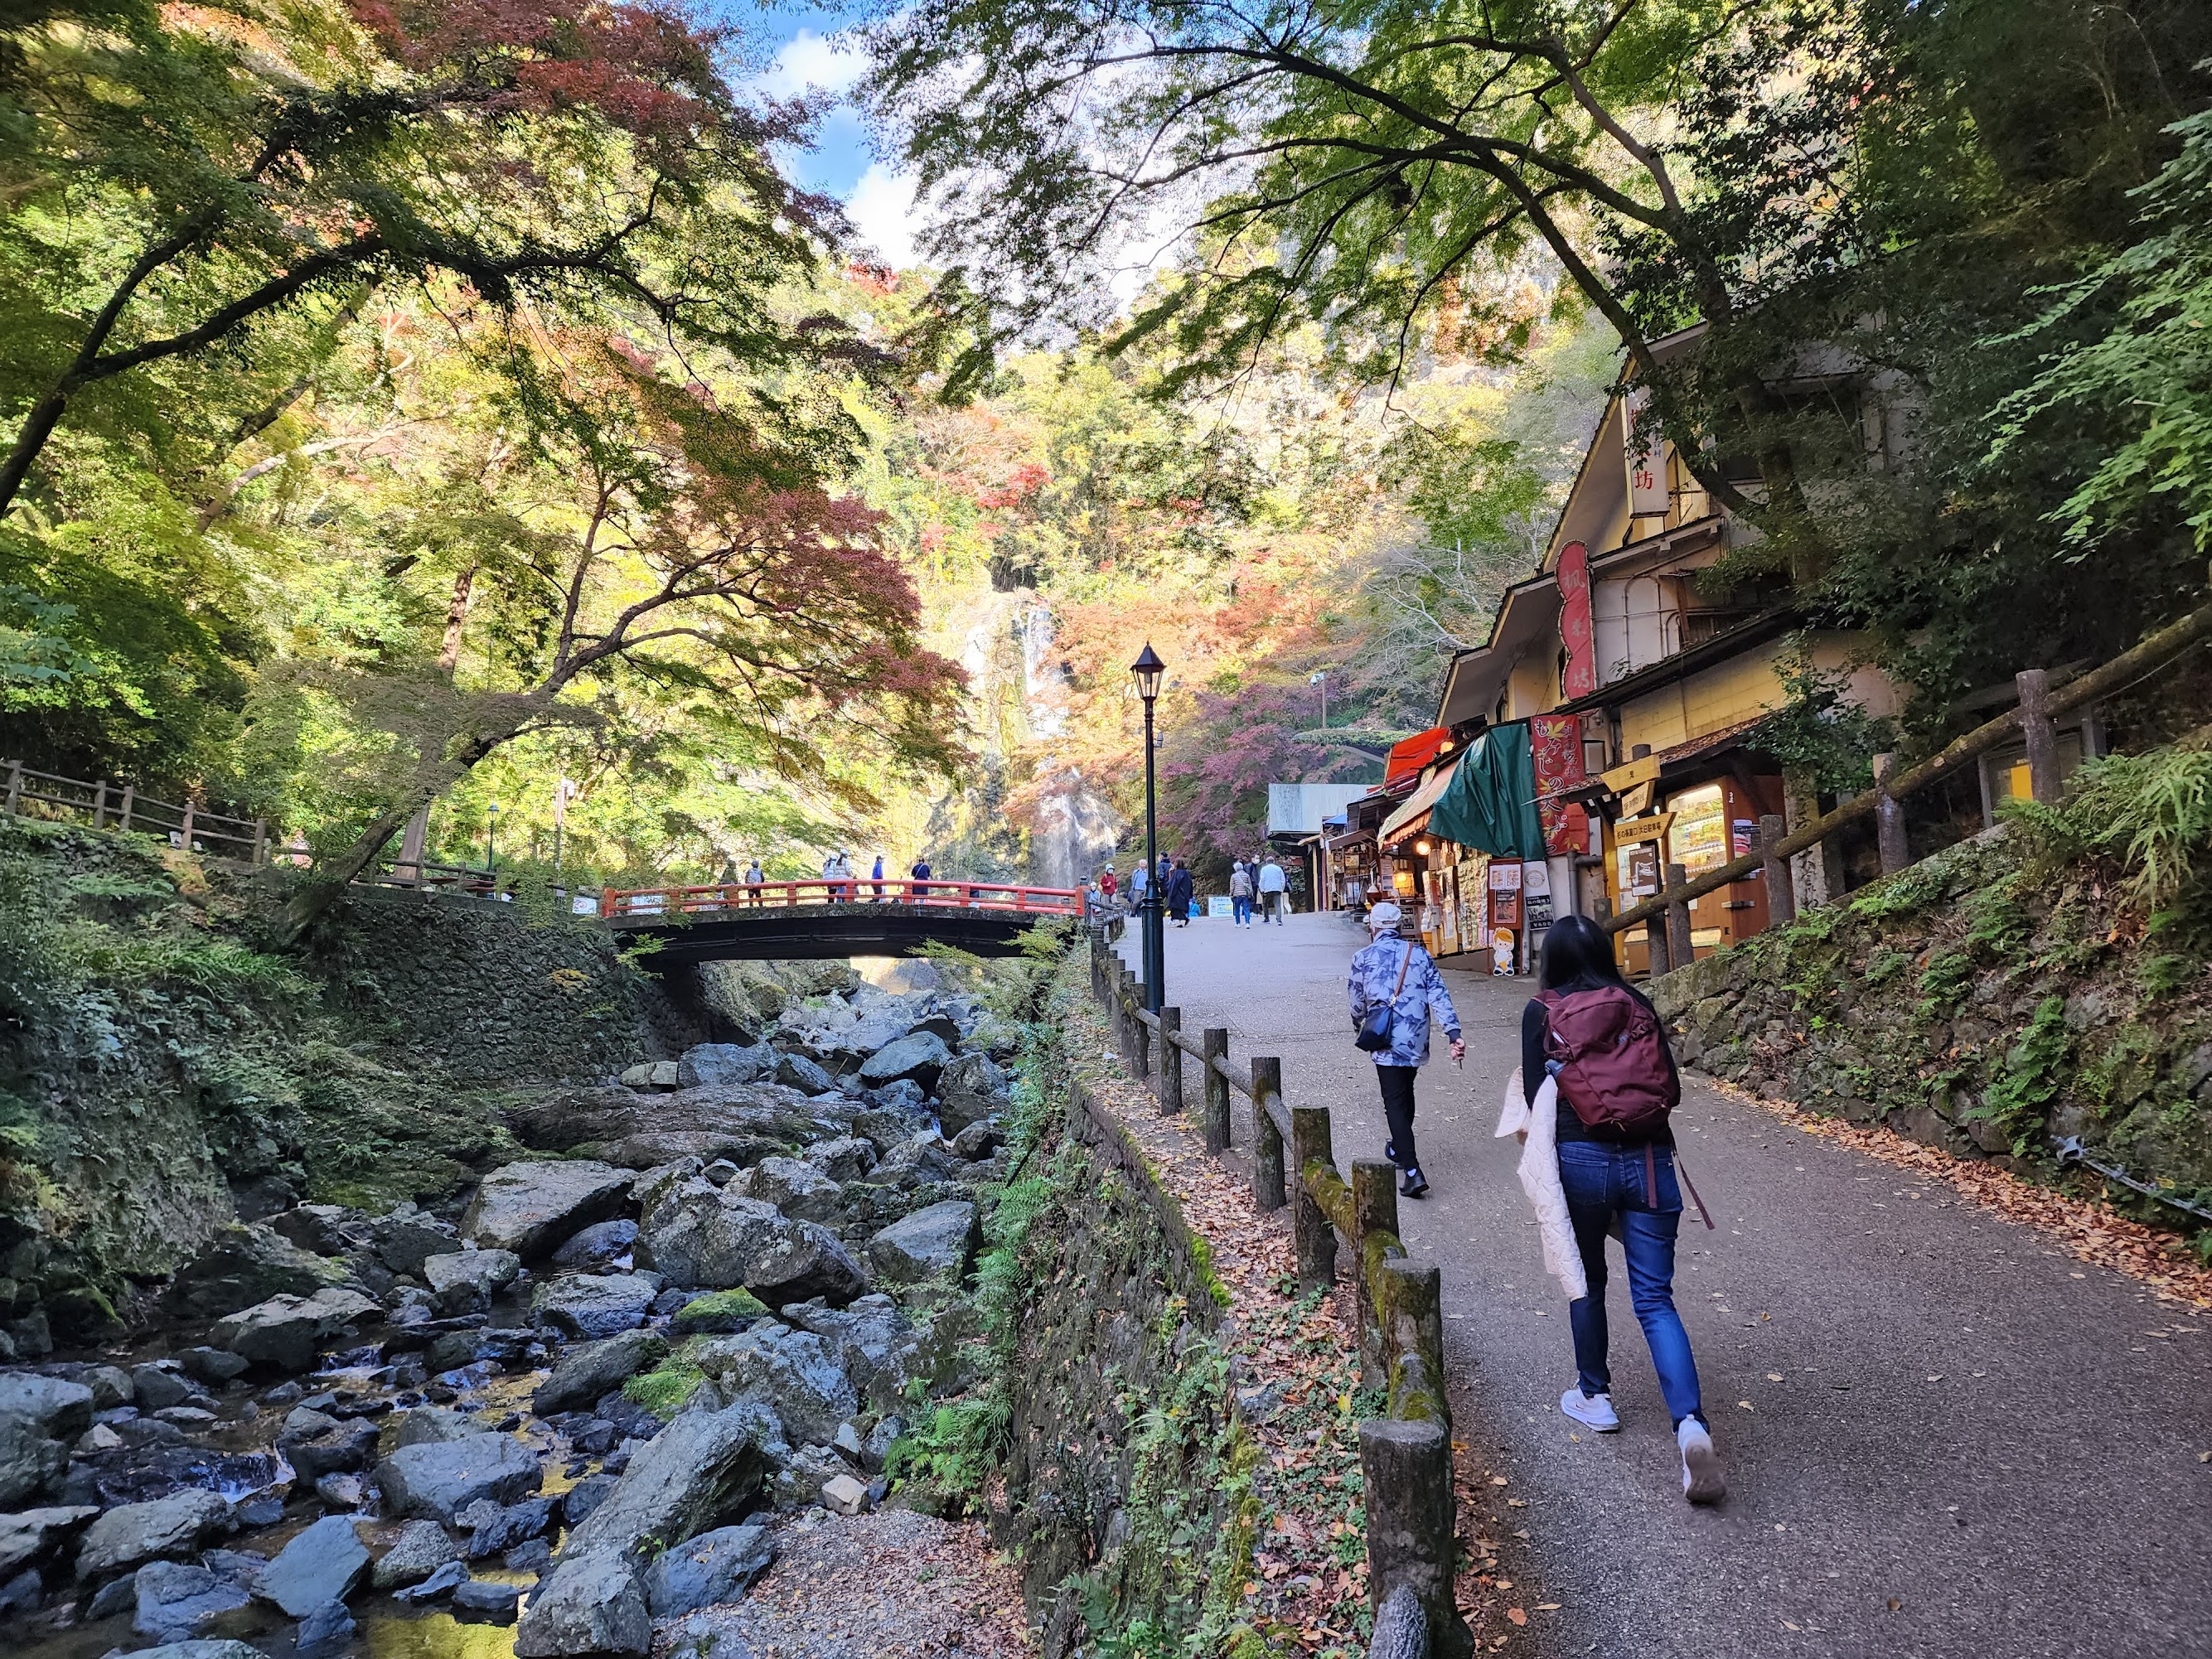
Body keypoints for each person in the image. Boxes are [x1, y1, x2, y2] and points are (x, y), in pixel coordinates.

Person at [1510, 912, 1721, 1504]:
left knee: (1588, 1282)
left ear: (1549, 957)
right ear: (1604, 951)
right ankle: (1690, 1428)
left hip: (1580, 1159)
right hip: (1650, 1160)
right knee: (1654, 1299)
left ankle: (1593, 1397)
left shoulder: (1542, 1009)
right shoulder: (1635, 1001)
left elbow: (1534, 1101)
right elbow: (1668, 1087)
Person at [1345, 901, 1463, 1198]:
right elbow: (1439, 995)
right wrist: (1453, 1033)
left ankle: (1412, 1171)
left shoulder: (1363, 957)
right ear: (1398, 927)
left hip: (1383, 1036)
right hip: (1414, 1035)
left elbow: (1357, 1002)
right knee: (1404, 1090)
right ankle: (1399, 1147)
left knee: (1394, 1101)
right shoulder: (1420, 955)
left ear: (1372, 927)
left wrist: (1359, 1023)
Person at [1164, 858, 1195, 927]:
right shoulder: (1186, 873)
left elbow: (1173, 885)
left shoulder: (1176, 873)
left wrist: (1171, 894)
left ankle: (1183, 920)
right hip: (1184, 895)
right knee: (1180, 910)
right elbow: (1190, 884)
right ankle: (1182, 921)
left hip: (1177, 895)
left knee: (1176, 909)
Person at [1257, 855, 1288, 923]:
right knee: (1277, 904)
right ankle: (1279, 920)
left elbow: (1262, 879)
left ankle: (1267, 919)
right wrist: (1281, 888)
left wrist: (1262, 889)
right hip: (1277, 888)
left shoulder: (1264, 869)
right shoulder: (1278, 869)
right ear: (1274, 861)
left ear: (1266, 862)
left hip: (1267, 889)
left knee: (1265, 904)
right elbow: (1283, 879)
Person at [1228, 859, 1254, 926]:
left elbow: (1232, 887)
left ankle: (1238, 923)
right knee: (1246, 909)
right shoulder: (1246, 875)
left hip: (1237, 895)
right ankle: (1247, 923)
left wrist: (1231, 894)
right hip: (1245, 895)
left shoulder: (1233, 876)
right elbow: (1250, 885)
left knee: (1237, 909)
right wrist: (1251, 894)